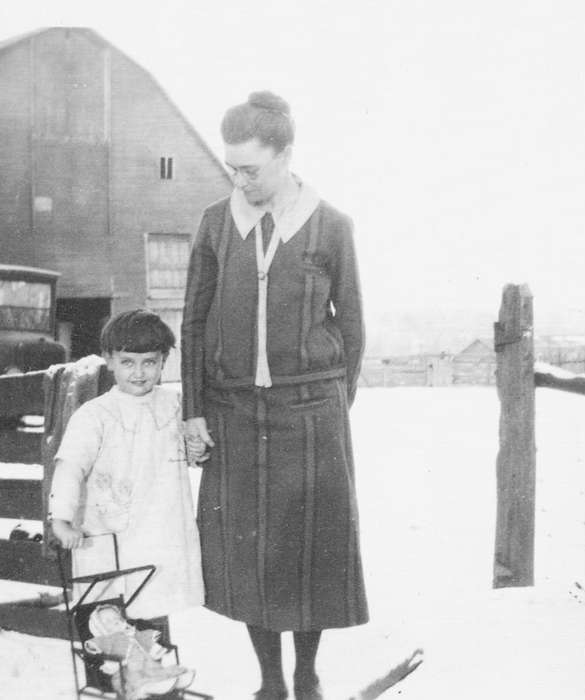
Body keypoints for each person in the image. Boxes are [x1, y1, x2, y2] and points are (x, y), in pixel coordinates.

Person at [182, 90, 367, 700]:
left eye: (251, 168)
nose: (239, 178)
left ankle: (308, 675)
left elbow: (354, 324)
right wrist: (194, 410)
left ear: (286, 155)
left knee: (310, 551)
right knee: (250, 554)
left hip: (310, 412)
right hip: (234, 412)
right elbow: (193, 319)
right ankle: (269, 683)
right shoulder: (216, 222)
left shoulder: (330, 224)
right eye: (232, 166)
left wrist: (333, 402)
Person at [49, 309, 204, 623]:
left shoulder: (174, 405)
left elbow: (186, 454)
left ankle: (146, 661)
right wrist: (61, 519)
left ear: (163, 362)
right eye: (128, 362)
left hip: (159, 530)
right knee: (109, 609)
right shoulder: (96, 415)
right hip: (110, 530)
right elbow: (70, 467)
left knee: (152, 597)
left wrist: (196, 449)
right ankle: (119, 665)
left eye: (150, 362)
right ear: (109, 360)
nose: (139, 373)